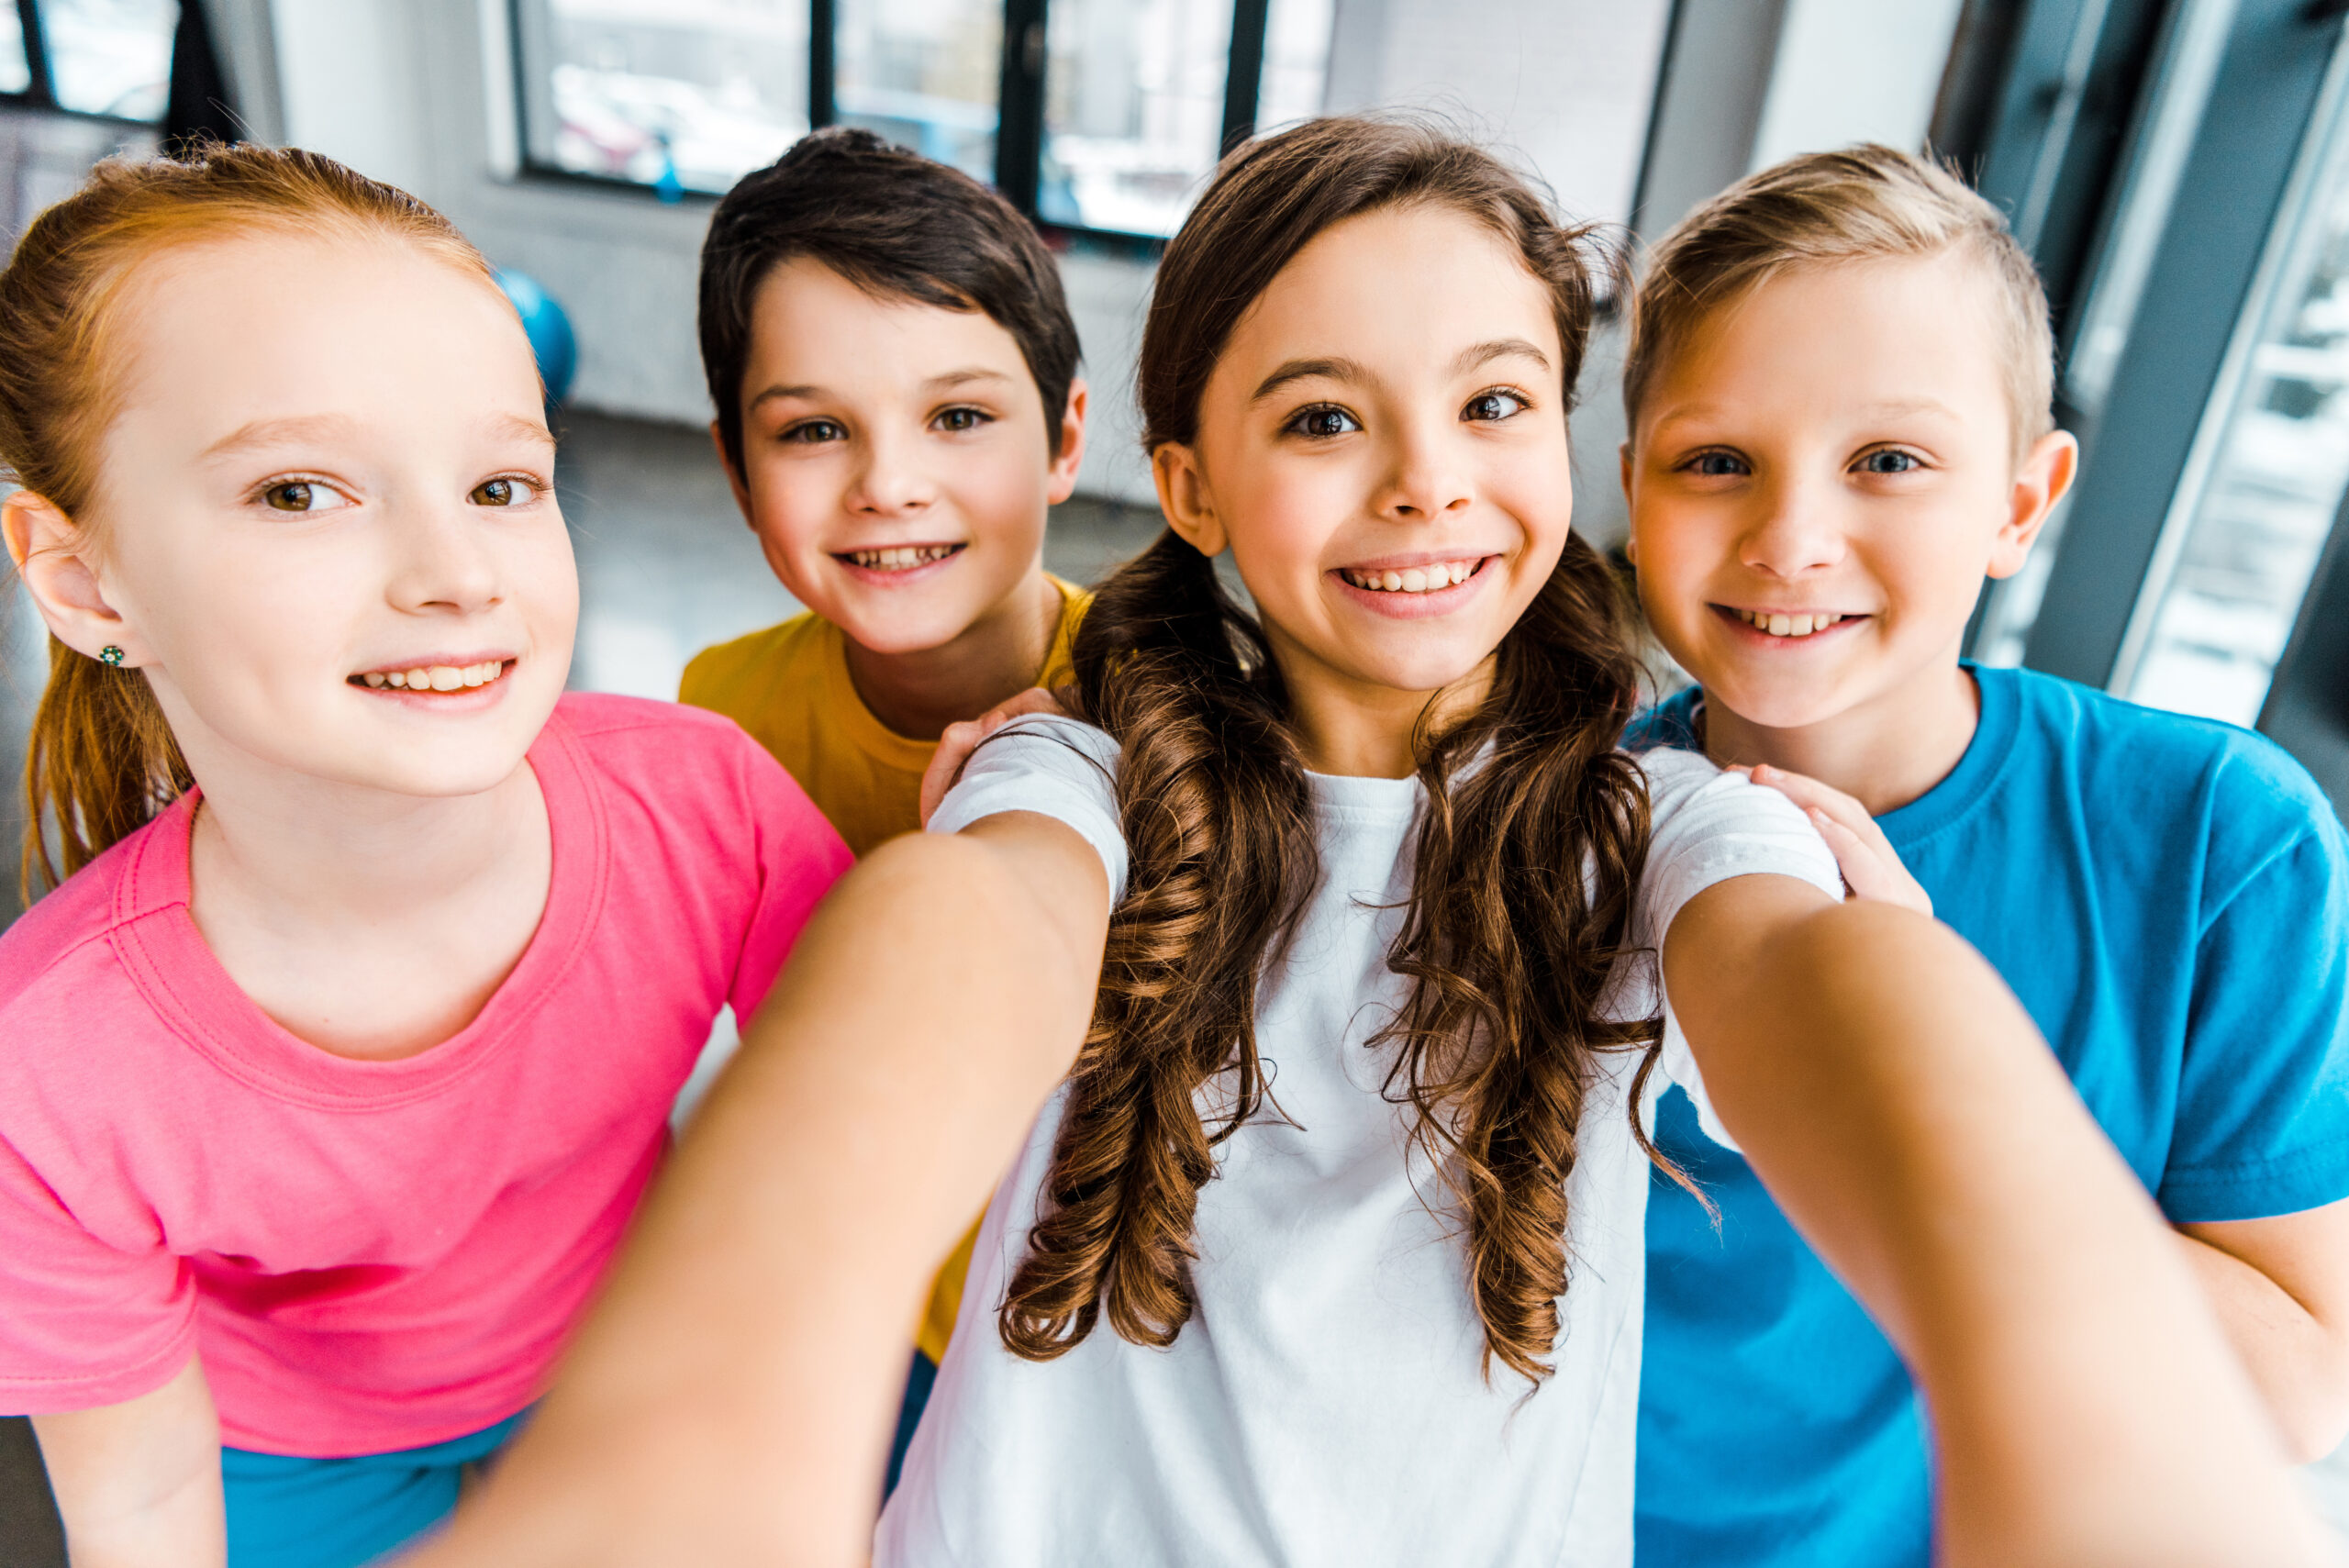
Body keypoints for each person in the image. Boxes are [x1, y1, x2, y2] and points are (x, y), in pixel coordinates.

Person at [411, 118, 2329, 1568]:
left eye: (1489, 400)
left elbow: (1850, 1005)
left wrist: (2076, 1402)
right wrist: (704, 1408)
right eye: (1323, 414)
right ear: (1187, 484)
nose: (1421, 475)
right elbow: (931, 972)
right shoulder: (1070, 780)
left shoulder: (1664, 822)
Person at [0, 145, 850, 1568]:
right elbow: (143, 1510)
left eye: (503, 486)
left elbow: (868, 1126)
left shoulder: (706, 811)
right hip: (282, 1450)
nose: (457, 574)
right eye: (298, 492)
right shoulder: (44, 1072)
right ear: (88, 581)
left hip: (626, 1361)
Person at [1617, 144, 2349, 1566]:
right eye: (1718, 461)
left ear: (2022, 499)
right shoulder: (1547, 829)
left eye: (1888, 460)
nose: (1793, 537)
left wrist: (1923, 1068)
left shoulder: (2220, 841)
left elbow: (2304, 1381)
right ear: (1636, 487)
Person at [678, 128, 1094, 1452]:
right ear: (739, 470)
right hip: (880, 1325)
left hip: (1117, 1326)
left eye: (959, 415)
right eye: (813, 430)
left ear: (1066, 435)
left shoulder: (1178, 699)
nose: (890, 483)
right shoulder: (724, 712)